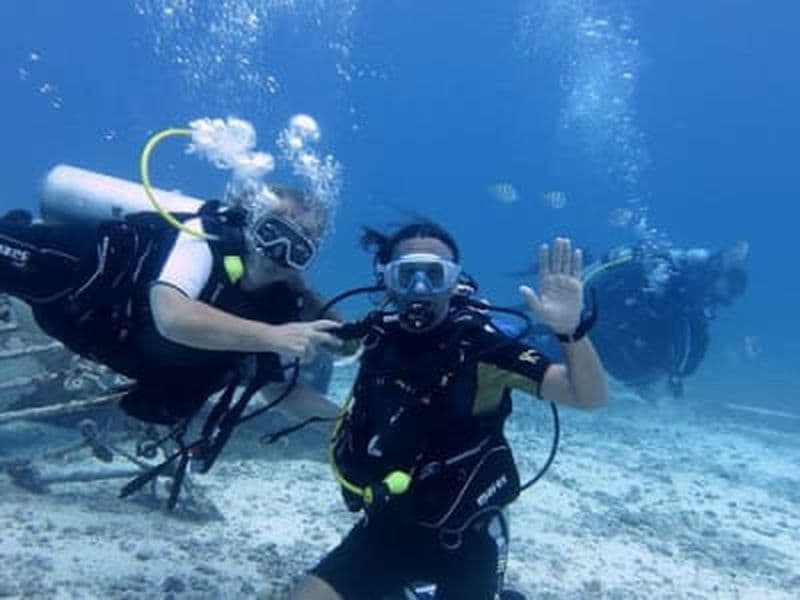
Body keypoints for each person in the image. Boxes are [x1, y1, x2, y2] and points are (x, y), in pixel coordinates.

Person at [288, 223, 608, 600]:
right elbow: (316, 336)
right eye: (407, 274)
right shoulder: (375, 338)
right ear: (387, 279)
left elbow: (588, 397)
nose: (420, 287)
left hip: (465, 537)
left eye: (435, 274)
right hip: (386, 526)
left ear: (455, 282)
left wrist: (571, 331)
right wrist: (285, 282)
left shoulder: (483, 347)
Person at [0, 184, 342, 427]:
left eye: (298, 248)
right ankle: (17, 227)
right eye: (272, 231)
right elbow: (172, 315)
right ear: (250, 221)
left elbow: (277, 391)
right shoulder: (204, 237)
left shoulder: (276, 307)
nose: (277, 252)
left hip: (92, 331)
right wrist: (274, 336)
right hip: (64, 274)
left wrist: (346, 420)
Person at [583, 242, 748, 397]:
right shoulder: (692, 286)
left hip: (616, 312)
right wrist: (677, 374)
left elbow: (692, 333)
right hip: (614, 311)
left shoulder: (696, 287)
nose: (728, 297)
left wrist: (677, 372)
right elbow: (690, 330)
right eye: (730, 289)